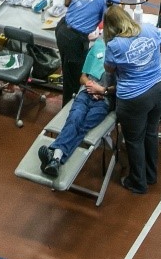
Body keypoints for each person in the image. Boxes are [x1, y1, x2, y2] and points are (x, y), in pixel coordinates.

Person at [103, 3, 161, 195]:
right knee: (151, 132)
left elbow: (109, 70)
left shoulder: (114, 45)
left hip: (134, 97)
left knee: (134, 140)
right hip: (160, 87)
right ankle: (150, 175)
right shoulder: (149, 28)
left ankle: (138, 182)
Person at [39, 34, 111, 177]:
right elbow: (82, 77)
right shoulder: (98, 46)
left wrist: (102, 90)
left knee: (82, 127)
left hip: (103, 101)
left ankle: (55, 156)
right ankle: (56, 161)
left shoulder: (121, 58)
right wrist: (91, 84)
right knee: (74, 120)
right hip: (85, 94)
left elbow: (121, 88)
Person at [57, 0, 131, 103]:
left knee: (68, 72)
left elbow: (67, 2)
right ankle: (68, 111)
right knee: (74, 82)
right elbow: (111, 26)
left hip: (61, 29)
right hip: (74, 39)